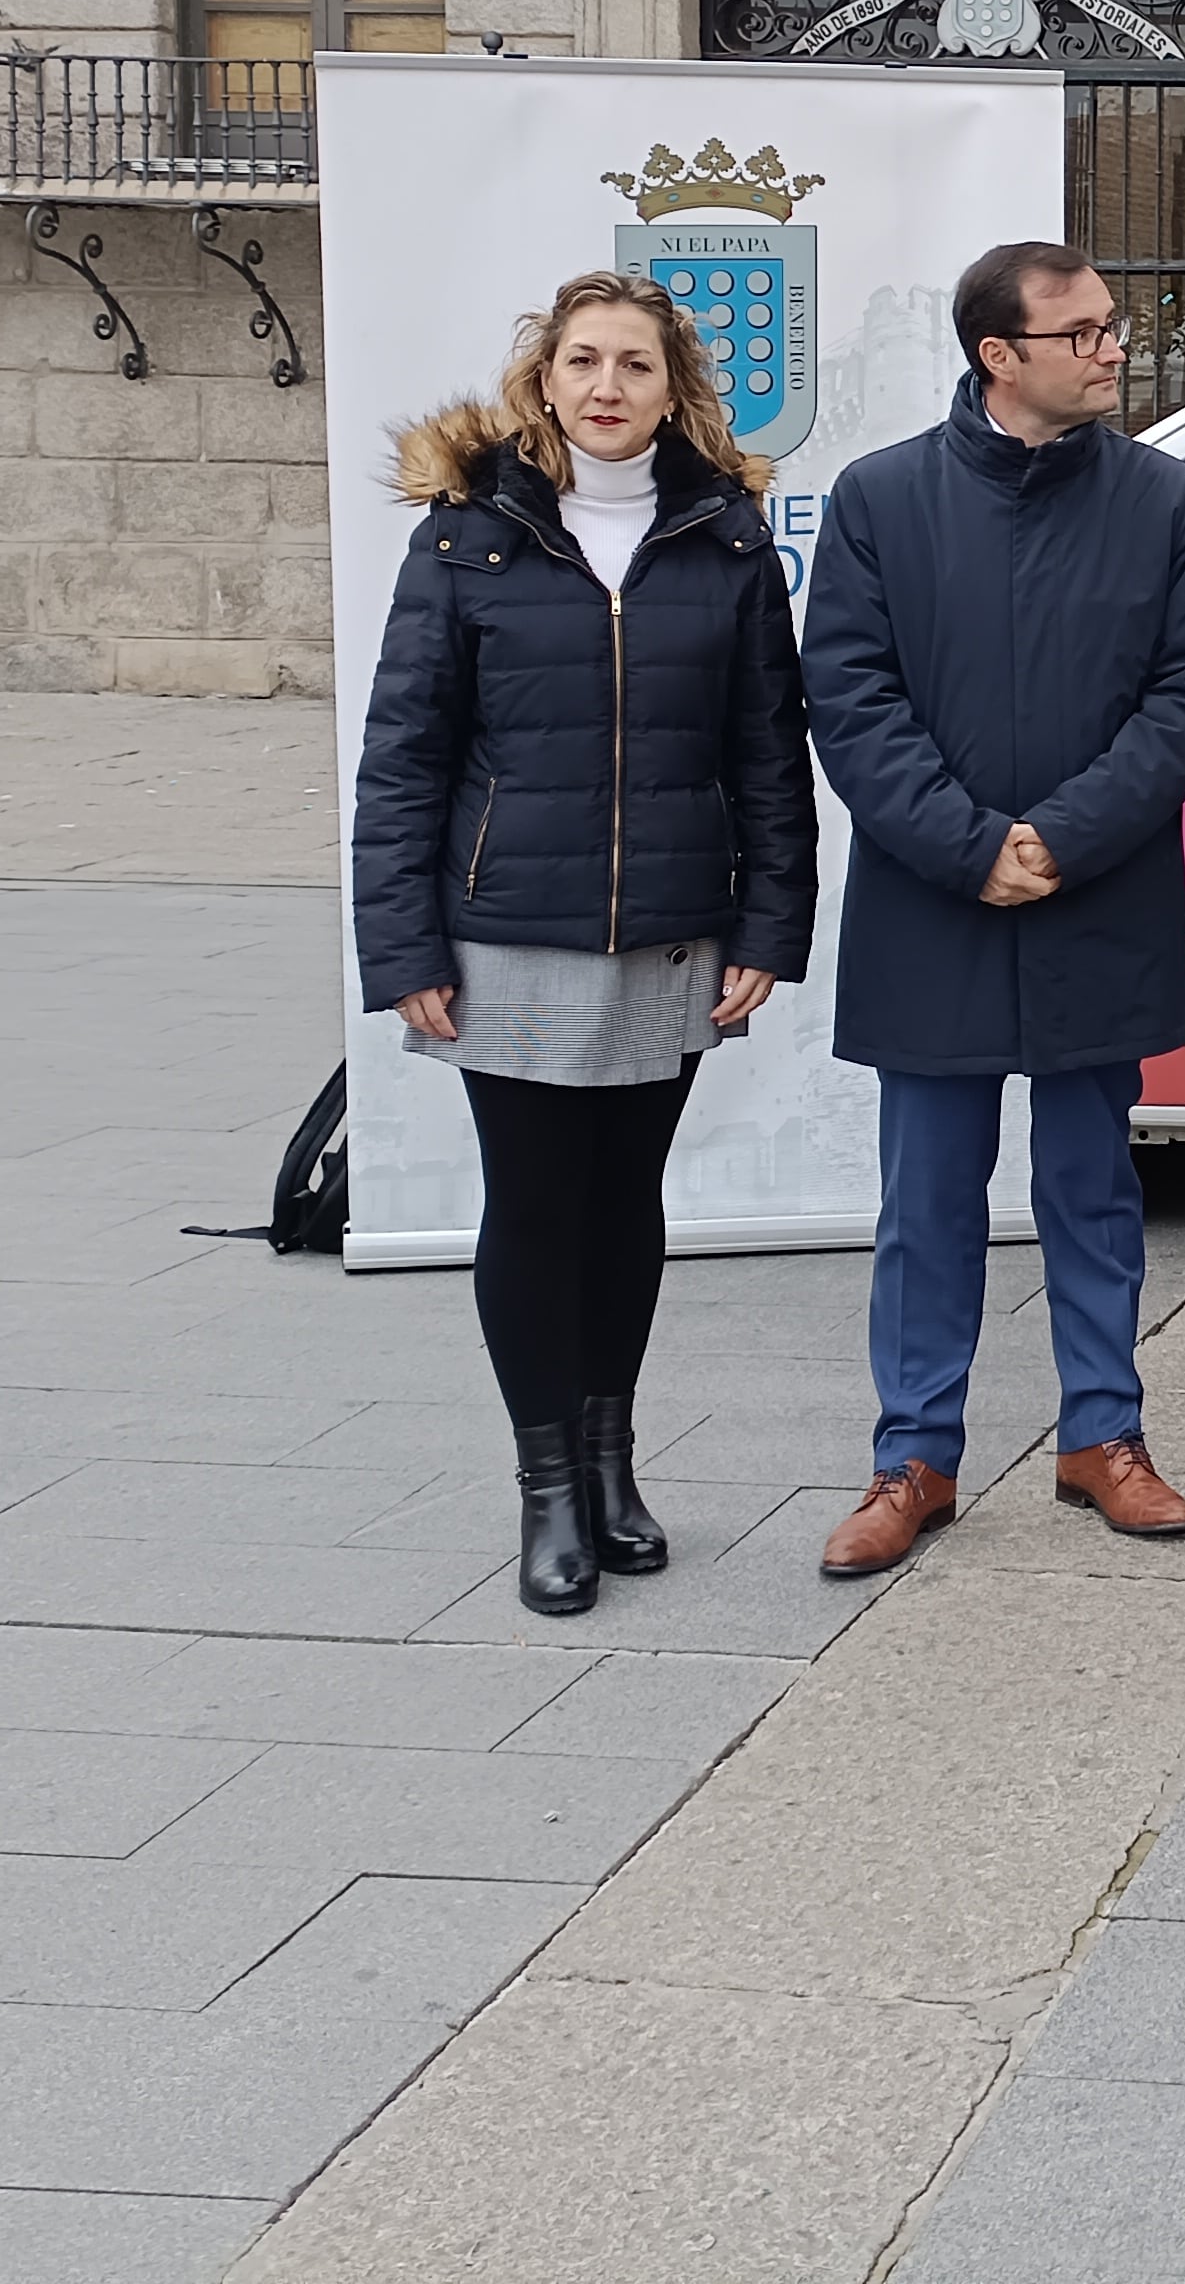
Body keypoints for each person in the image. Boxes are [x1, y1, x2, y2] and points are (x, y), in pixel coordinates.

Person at [352, 271, 818, 1618]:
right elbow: (404, 759)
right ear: (544, 381)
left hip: (672, 928)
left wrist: (769, 923)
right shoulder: (468, 536)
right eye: (583, 362)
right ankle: (548, 1490)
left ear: (675, 391)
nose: (607, 386)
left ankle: (613, 1468)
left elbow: (767, 753)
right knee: (536, 1206)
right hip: (507, 931)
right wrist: (405, 946)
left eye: (634, 365)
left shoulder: (726, 540)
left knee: (626, 1205)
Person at [801, 241, 1185, 1571]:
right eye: (1083, 333)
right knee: (927, 1203)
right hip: (935, 905)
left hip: (1097, 898)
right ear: (998, 355)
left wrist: (1063, 837)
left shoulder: (1163, 499)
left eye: (1113, 324)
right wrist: (970, 846)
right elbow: (850, 697)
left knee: (1094, 1189)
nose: (1115, 348)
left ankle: (1104, 1437)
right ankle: (913, 1460)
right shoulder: (881, 500)